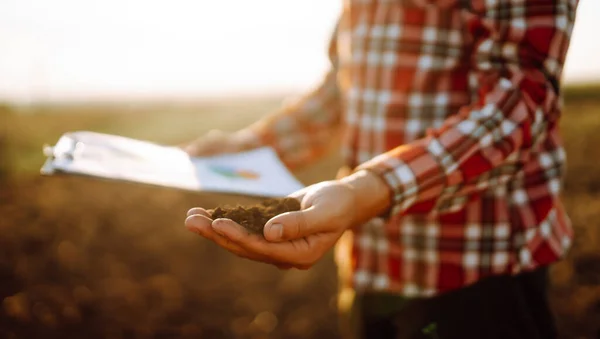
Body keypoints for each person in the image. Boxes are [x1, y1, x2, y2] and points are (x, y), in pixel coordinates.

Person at [184, 1, 579, 338]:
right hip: (369, 267)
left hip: (478, 276)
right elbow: (345, 87)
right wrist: (249, 147)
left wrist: (366, 189)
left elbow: (520, 100)